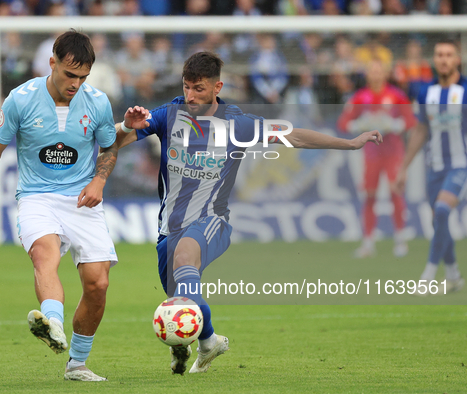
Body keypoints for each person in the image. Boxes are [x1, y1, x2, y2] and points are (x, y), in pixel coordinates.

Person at [116, 51, 382, 375]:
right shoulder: (169, 115)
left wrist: (350, 143)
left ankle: (192, 340)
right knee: (183, 296)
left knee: (185, 261)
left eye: (198, 89)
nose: (190, 96)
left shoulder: (238, 124)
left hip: (211, 221)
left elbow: (293, 135)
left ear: (217, 88)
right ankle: (209, 341)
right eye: (186, 87)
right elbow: (117, 137)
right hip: (167, 230)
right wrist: (125, 127)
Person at [0, 30, 119, 381]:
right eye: (70, 75)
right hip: (37, 196)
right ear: (52, 62)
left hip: (81, 198)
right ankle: (52, 322)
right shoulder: (20, 100)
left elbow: (110, 146)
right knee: (45, 254)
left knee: (98, 284)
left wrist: (99, 180)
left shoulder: (97, 101)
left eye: (83, 77)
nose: (76, 84)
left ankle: (77, 365)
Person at [394, 40, 467, 293]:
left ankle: (427, 276)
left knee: (443, 211)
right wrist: (403, 167)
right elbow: (420, 130)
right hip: (433, 167)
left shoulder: (465, 90)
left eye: (449, 55)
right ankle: (454, 274)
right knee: (439, 221)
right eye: (439, 55)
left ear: (457, 59)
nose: (444, 59)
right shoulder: (427, 93)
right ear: (434, 60)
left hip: (461, 166)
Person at [338, 59, 416, 258]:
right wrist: (360, 125)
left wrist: (394, 124)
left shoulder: (396, 95)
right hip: (371, 154)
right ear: (367, 74)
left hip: (393, 152)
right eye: (372, 71)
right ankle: (368, 242)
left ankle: (400, 240)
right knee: (370, 195)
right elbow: (343, 122)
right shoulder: (360, 97)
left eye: (379, 71)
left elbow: (410, 120)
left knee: (395, 192)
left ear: (385, 74)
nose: (375, 75)